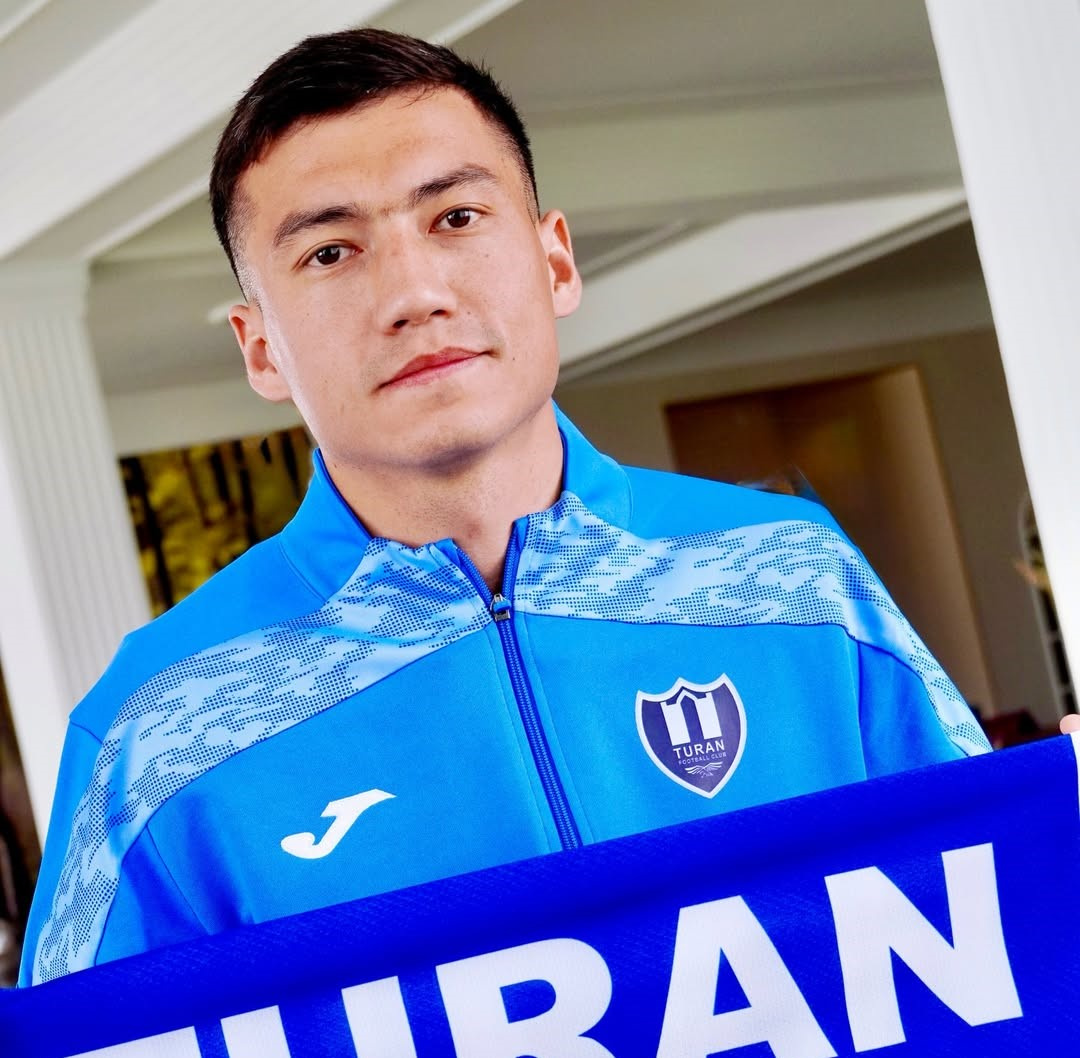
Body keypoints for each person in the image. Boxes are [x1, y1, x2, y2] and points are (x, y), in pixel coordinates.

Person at [19, 28, 991, 988]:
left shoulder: (793, 575)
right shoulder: (158, 727)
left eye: (455, 217)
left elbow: (1002, 924)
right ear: (261, 347)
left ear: (555, 261)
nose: (414, 293)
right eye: (330, 252)